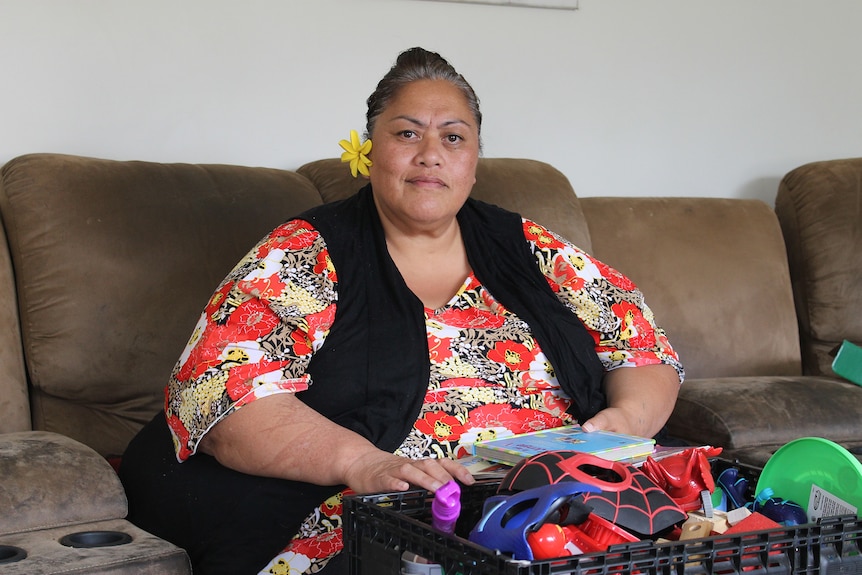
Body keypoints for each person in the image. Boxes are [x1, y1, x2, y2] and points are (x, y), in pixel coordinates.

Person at [119, 47, 683, 575]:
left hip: (558, 500)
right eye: (407, 133)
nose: (431, 154)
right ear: (369, 151)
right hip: (394, 513)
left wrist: (627, 422)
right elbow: (218, 392)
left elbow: (641, 345)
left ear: (475, 160)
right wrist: (361, 463)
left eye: (454, 137)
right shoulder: (306, 252)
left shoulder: (530, 245)